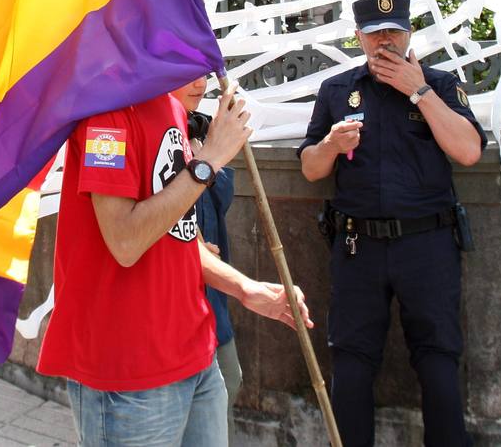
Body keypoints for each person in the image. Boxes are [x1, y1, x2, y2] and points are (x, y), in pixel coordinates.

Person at [37, 81, 312, 447]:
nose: (200, 76)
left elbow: (179, 235)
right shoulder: (107, 114)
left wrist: (246, 288)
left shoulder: (171, 108)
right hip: (129, 375)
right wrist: (208, 161)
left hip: (197, 356)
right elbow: (126, 241)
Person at [298, 0, 485, 447]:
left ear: (409, 35)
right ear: (358, 37)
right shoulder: (338, 90)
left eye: (395, 31)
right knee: (351, 361)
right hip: (359, 246)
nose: (386, 41)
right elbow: (310, 167)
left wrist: (416, 90)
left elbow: (469, 151)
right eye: (376, 33)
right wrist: (330, 147)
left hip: (428, 244)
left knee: (438, 359)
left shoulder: (439, 85)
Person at [176, 76, 243, 441]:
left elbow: (216, 206)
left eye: (203, 72)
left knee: (227, 382)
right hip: (175, 292)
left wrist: (214, 146)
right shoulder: (154, 133)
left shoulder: (197, 129)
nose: (198, 83)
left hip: (212, 289)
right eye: (187, 72)